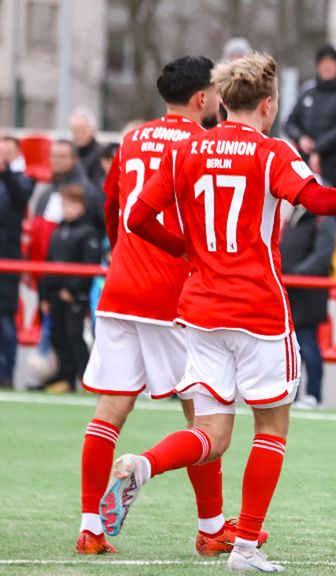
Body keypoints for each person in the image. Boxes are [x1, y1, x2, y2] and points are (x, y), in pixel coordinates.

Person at [100, 52, 336, 573]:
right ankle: (245, 548)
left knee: (212, 435)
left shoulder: (187, 150)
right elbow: (320, 200)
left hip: (200, 310)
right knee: (272, 429)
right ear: (269, 103)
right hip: (259, 309)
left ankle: (145, 465)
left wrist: (187, 250)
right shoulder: (272, 152)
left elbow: (136, 216)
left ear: (219, 100)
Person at [75, 56, 255, 557]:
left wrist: (122, 257)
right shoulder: (202, 143)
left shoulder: (131, 139)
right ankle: (212, 525)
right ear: (204, 98)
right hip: (172, 296)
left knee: (109, 410)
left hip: (121, 287)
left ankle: (90, 527)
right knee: (205, 415)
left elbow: (115, 211)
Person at [39, 184, 101, 394]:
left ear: (81, 206)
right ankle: (65, 376)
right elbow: (49, 262)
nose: (66, 209)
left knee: (76, 336)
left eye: (70, 204)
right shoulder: (59, 229)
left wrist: (73, 290)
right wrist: (45, 294)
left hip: (75, 295)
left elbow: (88, 265)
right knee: (59, 336)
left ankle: (85, 378)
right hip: (55, 293)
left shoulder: (88, 232)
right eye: (63, 204)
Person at [280, 204, 336, 409]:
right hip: (290, 291)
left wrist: (295, 275)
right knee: (290, 346)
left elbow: (322, 256)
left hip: (309, 293)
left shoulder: (324, 219)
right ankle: (292, 393)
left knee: (308, 343)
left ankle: (313, 394)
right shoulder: (292, 217)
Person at [284, 44, 336, 189]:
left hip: (335, 165)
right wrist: (301, 138)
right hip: (304, 166)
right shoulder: (307, 90)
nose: (327, 67)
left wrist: (318, 149)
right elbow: (289, 122)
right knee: (305, 209)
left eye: (330, 63)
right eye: (323, 64)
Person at [27, 140, 102, 262]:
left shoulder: (87, 191)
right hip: (44, 268)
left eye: (62, 156)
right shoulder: (47, 191)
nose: (57, 160)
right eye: (54, 156)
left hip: (71, 268)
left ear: (74, 159)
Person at [0, 143, 29, 389]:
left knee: (6, 320)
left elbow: (21, 198)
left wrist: (6, 171)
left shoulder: (22, 179)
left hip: (8, 259)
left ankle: (7, 374)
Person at [69, 108, 107, 188]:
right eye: (75, 131)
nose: (78, 134)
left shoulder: (102, 155)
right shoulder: (70, 153)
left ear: (93, 130)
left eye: (82, 130)